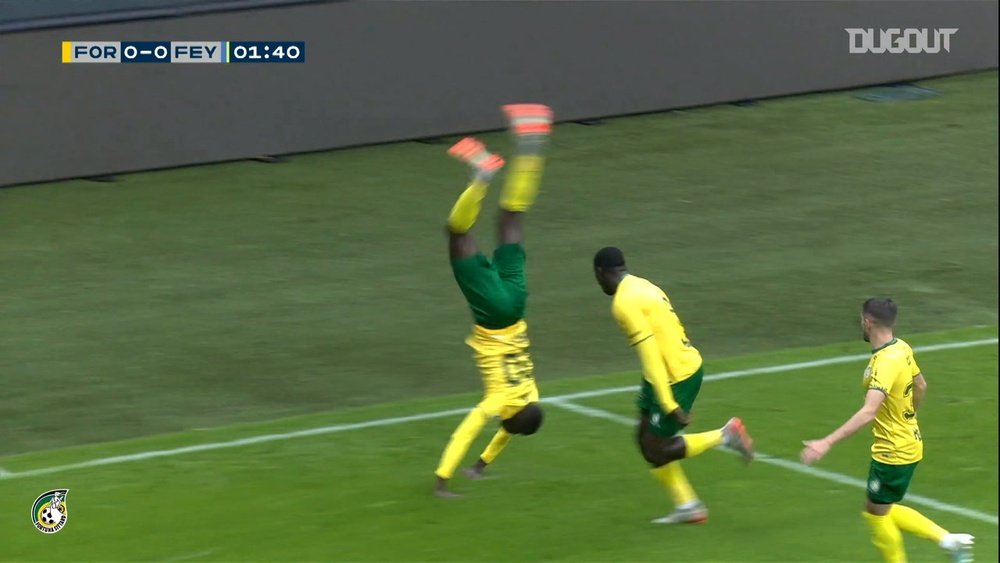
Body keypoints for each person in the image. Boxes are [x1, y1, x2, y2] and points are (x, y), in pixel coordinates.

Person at [433, 103, 553, 497]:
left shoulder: (530, 395)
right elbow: (469, 429)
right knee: (457, 235)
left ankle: (532, 140)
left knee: (511, 219)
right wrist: (442, 480)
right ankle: (482, 176)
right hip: (493, 314)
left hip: (517, 304)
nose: (504, 424)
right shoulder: (500, 401)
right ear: (512, 416)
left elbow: (507, 432)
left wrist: (481, 466)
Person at [801, 298, 975, 563]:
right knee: (880, 508)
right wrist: (909, 416)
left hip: (892, 453)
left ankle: (946, 544)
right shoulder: (902, 348)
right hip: (909, 443)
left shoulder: (884, 362)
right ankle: (948, 541)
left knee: (875, 514)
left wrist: (827, 442)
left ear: (868, 322)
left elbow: (869, 411)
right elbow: (921, 386)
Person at [592, 246, 754, 523]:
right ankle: (688, 505)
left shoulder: (623, 302)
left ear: (600, 273)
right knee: (644, 438)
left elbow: (650, 351)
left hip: (676, 375)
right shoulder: (642, 285)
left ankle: (726, 435)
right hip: (667, 370)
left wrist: (667, 403)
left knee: (657, 447)